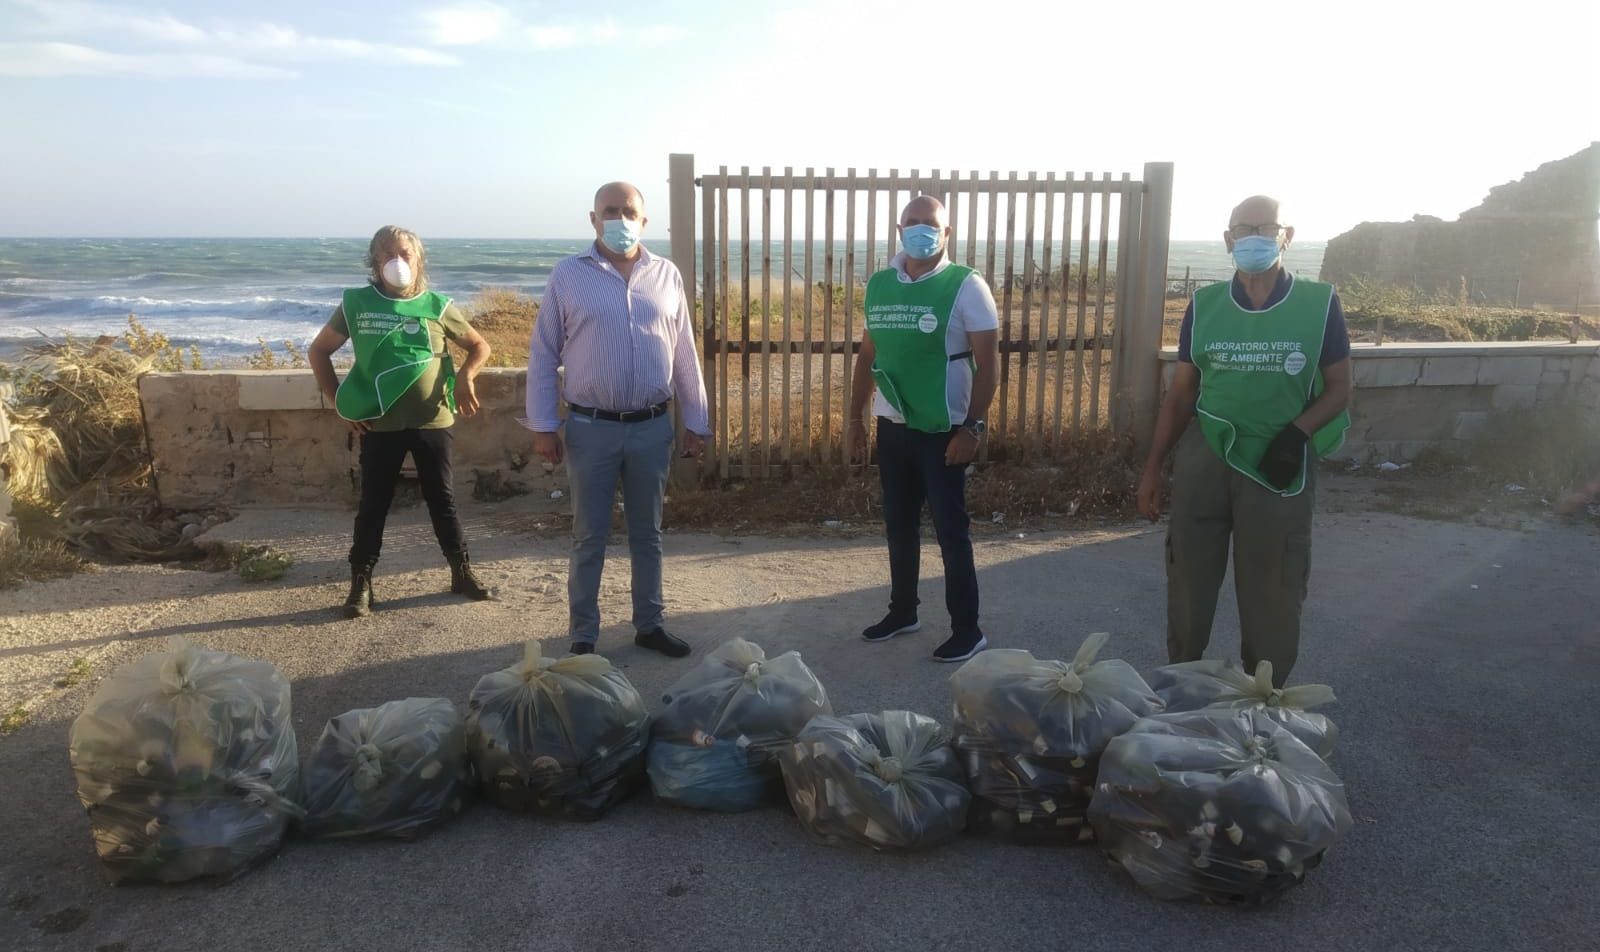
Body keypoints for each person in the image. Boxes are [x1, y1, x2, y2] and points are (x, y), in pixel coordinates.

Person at [1136, 196, 1352, 686]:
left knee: (1274, 586)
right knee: (1189, 579)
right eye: (1244, 228)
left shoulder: (1319, 304)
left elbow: (1339, 389)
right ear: (1229, 239)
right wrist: (1153, 469)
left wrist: (1297, 434)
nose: (1254, 237)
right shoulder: (1206, 306)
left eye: (1266, 227)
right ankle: (1183, 689)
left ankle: (1264, 701)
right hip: (1206, 454)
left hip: (1279, 462)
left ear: (1286, 236)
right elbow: (1182, 395)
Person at [525, 182, 711, 658]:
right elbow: (544, 352)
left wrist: (698, 420)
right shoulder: (568, 275)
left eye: (629, 211)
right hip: (591, 428)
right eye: (610, 210)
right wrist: (543, 425)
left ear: (644, 221)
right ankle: (583, 634)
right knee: (589, 535)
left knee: (648, 533)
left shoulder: (667, 275)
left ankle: (649, 623)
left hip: (652, 427)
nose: (620, 219)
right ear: (593, 219)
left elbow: (684, 353)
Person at [308, 225, 495, 618]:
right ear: (374, 263)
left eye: (405, 254)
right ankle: (361, 584)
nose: (397, 262)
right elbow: (319, 352)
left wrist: (465, 375)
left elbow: (479, 345)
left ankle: (461, 572)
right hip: (379, 423)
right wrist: (341, 404)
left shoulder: (438, 305)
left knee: (442, 499)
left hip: (432, 419)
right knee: (374, 503)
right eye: (387, 255)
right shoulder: (356, 304)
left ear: (418, 258)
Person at [846, 195, 1000, 663]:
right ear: (899, 229)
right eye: (911, 223)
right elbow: (868, 357)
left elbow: (990, 365)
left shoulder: (967, 286)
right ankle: (903, 611)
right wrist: (854, 418)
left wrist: (973, 429)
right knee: (899, 526)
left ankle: (967, 628)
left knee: (951, 531)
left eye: (929, 224)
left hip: (944, 427)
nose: (919, 231)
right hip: (892, 425)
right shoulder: (880, 285)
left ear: (946, 233)